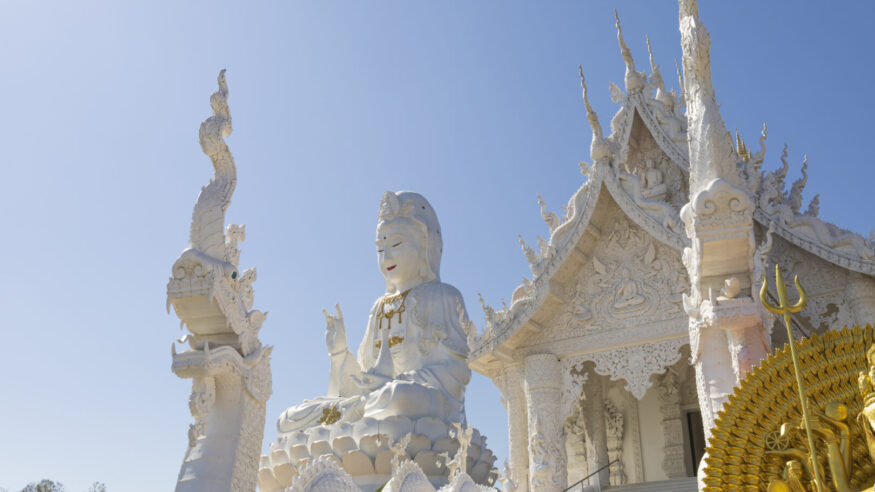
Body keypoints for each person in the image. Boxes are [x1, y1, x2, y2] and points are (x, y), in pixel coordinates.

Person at [277, 191, 471, 433]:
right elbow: (360, 379)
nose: (386, 257)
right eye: (380, 248)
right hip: (372, 402)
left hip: (416, 404)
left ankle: (356, 417)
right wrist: (339, 354)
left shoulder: (443, 296)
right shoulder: (379, 307)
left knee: (399, 397)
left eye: (396, 244)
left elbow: (456, 374)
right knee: (288, 419)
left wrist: (393, 383)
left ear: (425, 246)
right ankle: (355, 416)